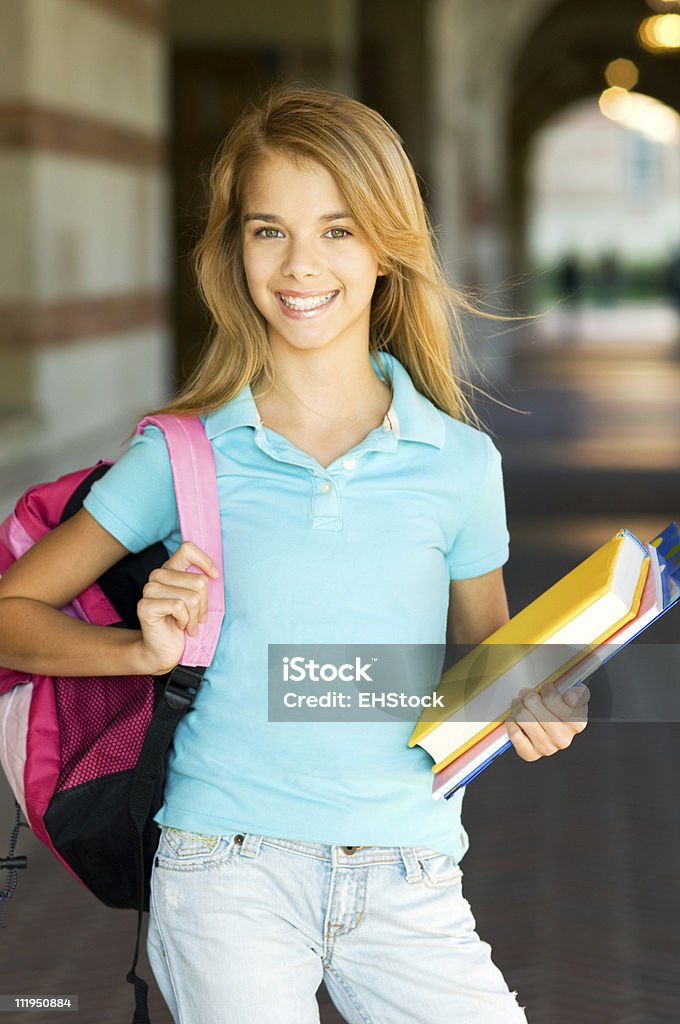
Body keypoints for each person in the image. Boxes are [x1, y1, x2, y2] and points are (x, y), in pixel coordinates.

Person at [0, 85, 590, 1024]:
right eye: (268, 229)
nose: (300, 264)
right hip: (224, 870)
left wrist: (541, 703)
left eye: (339, 230)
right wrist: (135, 652)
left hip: (410, 871)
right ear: (234, 250)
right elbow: (11, 615)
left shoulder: (462, 465)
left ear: (388, 247)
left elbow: (487, 671)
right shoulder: (185, 455)